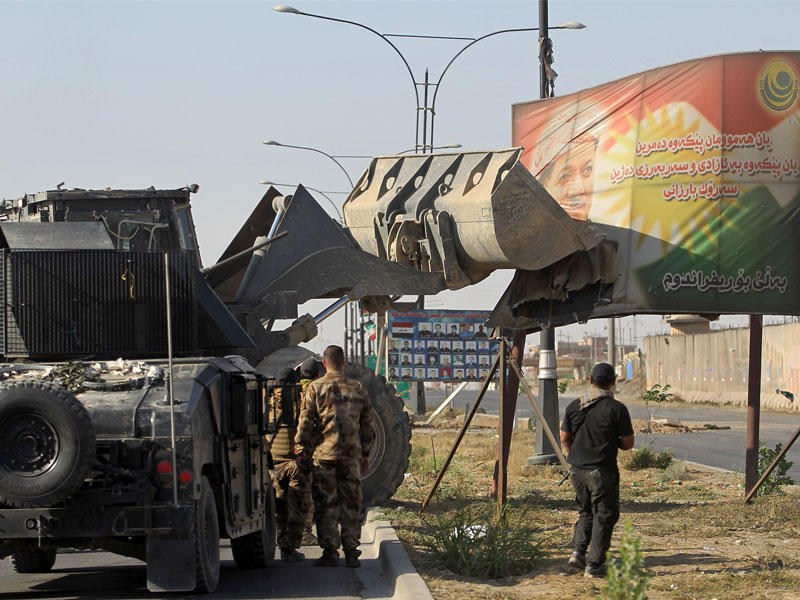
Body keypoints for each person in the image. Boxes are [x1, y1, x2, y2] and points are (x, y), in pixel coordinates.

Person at [295, 345, 374, 568]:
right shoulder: (358, 388)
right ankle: (351, 552)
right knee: (351, 503)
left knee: (326, 504)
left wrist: (302, 450)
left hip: (324, 457)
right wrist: (365, 454)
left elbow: (305, 422)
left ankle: (330, 552)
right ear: (343, 362)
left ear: (323, 364)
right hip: (351, 458)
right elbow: (367, 427)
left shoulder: (315, 388)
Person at [560, 362, 634, 578]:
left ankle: (578, 552)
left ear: (590, 380)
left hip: (577, 471)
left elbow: (565, 437)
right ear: (613, 382)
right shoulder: (617, 409)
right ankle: (594, 565)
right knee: (604, 515)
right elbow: (628, 443)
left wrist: (574, 453)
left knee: (585, 511)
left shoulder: (575, 405)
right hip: (602, 472)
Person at [267, 368, 308, 563]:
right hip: (293, 464)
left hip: (271, 465)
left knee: (277, 509)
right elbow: (305, 429)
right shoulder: (297, 400)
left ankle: (272, 545)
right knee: (296, 509)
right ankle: (288, 549)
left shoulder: (266, 401)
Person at [538, 134, 598, 221]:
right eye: (565, 176)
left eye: (587, 169)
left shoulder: (609, 231)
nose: (579, 190)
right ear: (543, 186)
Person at [297, 358, 325, 546]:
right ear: (317, 374)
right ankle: (305, 532)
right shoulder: (315, 392)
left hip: (286, 450)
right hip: (307, 449)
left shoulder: (289, 389)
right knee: (307, 491)